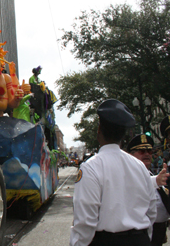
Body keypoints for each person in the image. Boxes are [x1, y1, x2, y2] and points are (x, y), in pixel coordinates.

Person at [70, 99, 157, 246]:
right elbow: (151, 210)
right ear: (124, 135)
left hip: (108, 240)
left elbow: (85, 221)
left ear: (99, 130)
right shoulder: (139, 166)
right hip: (140, 239)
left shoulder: (91, 167)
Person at [127, 134, 170, 246]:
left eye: (149, 151)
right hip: (142, 233)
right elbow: (136, 185)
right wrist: (155, 180)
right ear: (130, 155)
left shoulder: (149, 173)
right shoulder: (128, 175)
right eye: (141, 151)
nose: (146, 154)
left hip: (157, 231)